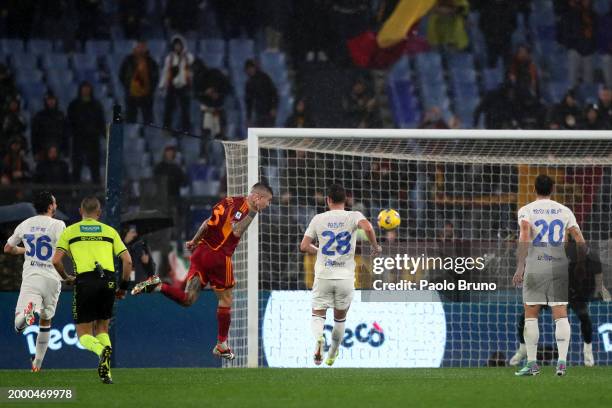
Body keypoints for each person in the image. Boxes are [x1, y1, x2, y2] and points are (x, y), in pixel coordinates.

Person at [131, 183, 274, 360]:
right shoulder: (245, 209)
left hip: (201, 252)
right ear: (257, 198)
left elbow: (207, 223)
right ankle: (221, 344)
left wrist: (194, 241)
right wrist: (253, 213)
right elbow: (236, 232)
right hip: (219, 257)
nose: (268, 205)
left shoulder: (229, 201)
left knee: (187, 299)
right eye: (268, 201)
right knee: (226, 299)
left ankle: (158, 285)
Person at [52, 197, 133, 384]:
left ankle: (100, 351)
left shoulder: (70, 231)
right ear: (99, 213)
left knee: (84, 334)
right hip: (108, 281)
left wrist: (66, 277)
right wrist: (122, 287)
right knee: (103, 328)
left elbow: (56, 261)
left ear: (81, 211)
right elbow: (128, 261)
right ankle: (107, 371)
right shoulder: (109, 231)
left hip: (85, 281)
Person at [299, 183, 381, 366]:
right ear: (346, 200)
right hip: (345, 277)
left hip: (323, 275)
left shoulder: (318, 218)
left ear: (328, 200)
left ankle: (319, 339)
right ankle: (333, 353)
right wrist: (376, 247)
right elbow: (367, 228)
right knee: (340, 318)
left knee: (318, 315)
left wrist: (319, 250)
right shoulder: (354, 216)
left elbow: (303, 246)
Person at [512, 174, 586, 376]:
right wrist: (580, 265)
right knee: (560, 314)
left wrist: (520, 266)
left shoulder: (526, 210)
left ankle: (533, 364)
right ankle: (561, 363)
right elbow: (579, 238)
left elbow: (525, 235)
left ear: (534, 189)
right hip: (558, 266)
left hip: (536, 265)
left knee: (531, 314)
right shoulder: (564, 210)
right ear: (552, 189)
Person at [510, 238, 611, 367]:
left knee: (585, 318)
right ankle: (523, 348)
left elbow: (596, 271)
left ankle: (588, 351)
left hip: (573, 294)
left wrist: (599, 290)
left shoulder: (582, 252)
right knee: (524, 317)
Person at [3, 191, 69, 372]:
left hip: (32, 278)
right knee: (46, 320)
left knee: (19, 326)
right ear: (50, 206)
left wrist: (28, 250)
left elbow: (8, 248)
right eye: (54, 203)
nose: (56, 206)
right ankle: (37, 365)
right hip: (52, 279)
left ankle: (27, 314)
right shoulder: (59, 224)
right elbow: (64, 250)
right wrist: (68, 276)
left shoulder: (26, 224)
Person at [67, 81, 106, 183]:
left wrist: (104, 134)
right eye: (84, 88)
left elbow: (101, 122)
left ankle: (96, 190)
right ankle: (75, 190)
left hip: (93, 140)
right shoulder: (74, 105)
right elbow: (70, 122)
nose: (86, 91)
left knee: (95, 167)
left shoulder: (96, 105)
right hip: (78, 139)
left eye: (87, 88)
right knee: (77, 166)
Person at [159, 35, 194, 131]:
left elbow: (192, 72)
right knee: (168, 108)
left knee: (185, 109)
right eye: (175, 45)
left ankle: (187, 129)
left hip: (184, 86)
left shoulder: (188, 57)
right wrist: (162, 85)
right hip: (172, 86)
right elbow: (165, 71)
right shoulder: (169, 58)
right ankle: (166, 128)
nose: (177, 47)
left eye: (179, 45)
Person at [120, 41, 159, 124]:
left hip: (146, 94)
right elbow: (122, 75)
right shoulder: (128, 60)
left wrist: (151, 89)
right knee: (131, 118)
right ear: (134, 48)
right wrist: (128, 87)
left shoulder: (151, 61)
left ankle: (149, 135)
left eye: (143, 47)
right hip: (131, 93)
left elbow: (155, 77)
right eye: (139, 47)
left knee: (148, 119)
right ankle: (131, 135)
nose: (141, 49)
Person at [31, 92, 68, 161]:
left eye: (53, 99)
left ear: (56, 101)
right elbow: (34, 136)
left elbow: (65, 134)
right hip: (42, 150)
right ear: (46, 101)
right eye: (49, 100)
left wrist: (66, 151)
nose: (51, 102)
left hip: (58, 150)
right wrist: (35, 152)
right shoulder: (39, 116)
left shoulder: (61, 115)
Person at [245, 59, 278, 127]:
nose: (250, 70)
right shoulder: (249, 83)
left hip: (269, 110)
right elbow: (249, 102)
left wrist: (273, 107)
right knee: (260, 132)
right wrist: (249, 118)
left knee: (269, 132)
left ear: (254, 68)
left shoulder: (264, 77)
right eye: (248, 69)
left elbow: (273, 93)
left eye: (251, 68)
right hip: (259, 112)